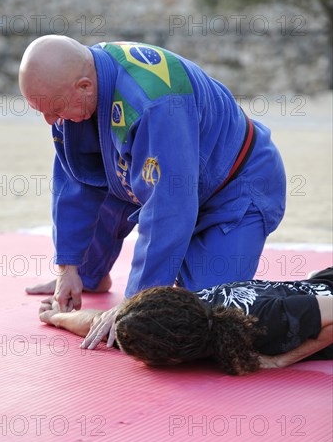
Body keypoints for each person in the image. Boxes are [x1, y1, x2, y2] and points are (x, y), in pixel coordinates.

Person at [19, 35, 286, 349]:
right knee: (99, 178)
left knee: (203, 319)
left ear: (85, 87)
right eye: (42, 111)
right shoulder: (72, 89)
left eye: (54, 110)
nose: (51, 120)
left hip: (233, 188)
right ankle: (89, 273)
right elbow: (74, 177)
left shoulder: (155, 103)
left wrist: (135, 303)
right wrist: (68, 266)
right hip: (157, 177)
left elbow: (168, 209)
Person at [39, 268, 333, 375]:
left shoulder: (265, 321)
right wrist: (57, 317)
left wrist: (283, 361)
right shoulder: (177, 316)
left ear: (172, 358)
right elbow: (98, 324)